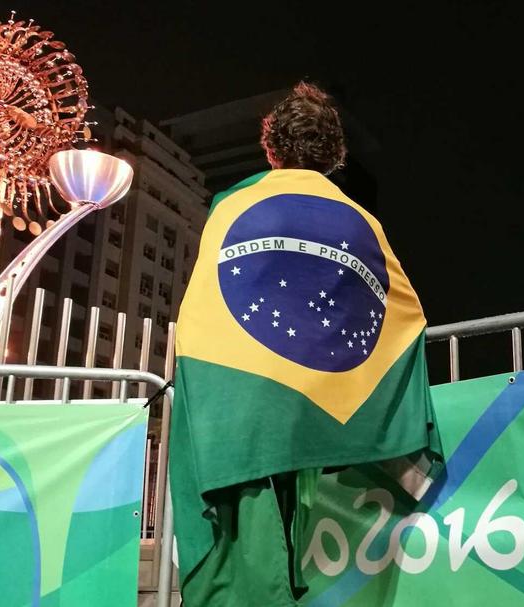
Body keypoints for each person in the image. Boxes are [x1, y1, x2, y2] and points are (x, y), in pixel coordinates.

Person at [170, 82, 442, 606]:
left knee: (246, 559)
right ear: (335, 156)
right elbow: (405, 313)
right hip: (326, 408)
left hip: (245, 402)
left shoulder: (232, 205)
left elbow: (203, 308)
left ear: (269, 147)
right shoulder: (365, 223)